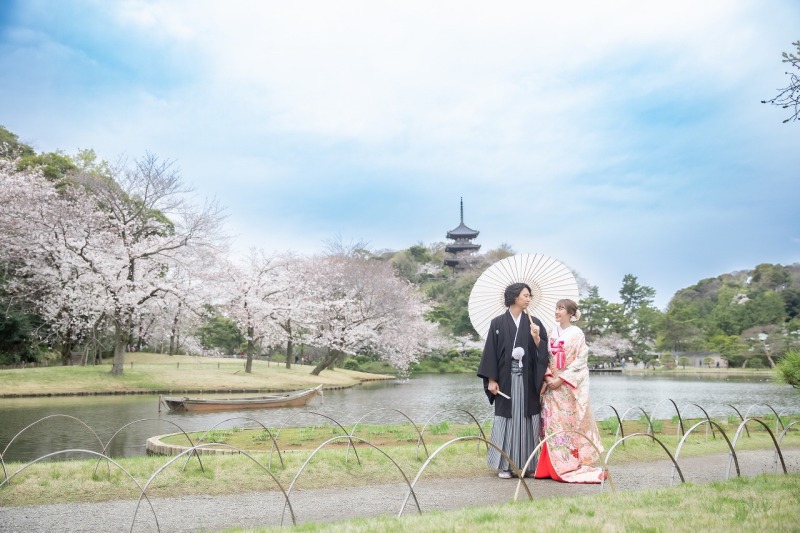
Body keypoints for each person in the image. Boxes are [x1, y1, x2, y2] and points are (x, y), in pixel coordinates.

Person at [477, 282, 549, 478]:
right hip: (506, 380)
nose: (528, 299)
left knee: (528, 418)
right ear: (515, 296)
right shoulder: (498, 323)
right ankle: (506, 466)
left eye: (529, 296)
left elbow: (543, 354)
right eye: (525, 295)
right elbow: (490, 352)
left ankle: (530, 464)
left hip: (528, 379)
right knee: (506, 419)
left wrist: (536, 339)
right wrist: (491, 379)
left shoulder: (536, 323)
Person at [534, 298, 605, 483]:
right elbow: (543, 357)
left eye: (561, 309)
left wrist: (562, 379)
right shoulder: (550, 333)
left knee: (568, 425)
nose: (557, 312)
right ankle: (548, 467)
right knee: (551, 425)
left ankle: (568, 464)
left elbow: (581, 360)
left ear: (571, 313)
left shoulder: (577, 334)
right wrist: (549, 376)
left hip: (567, 387)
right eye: (556, 308)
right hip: (551, 387)